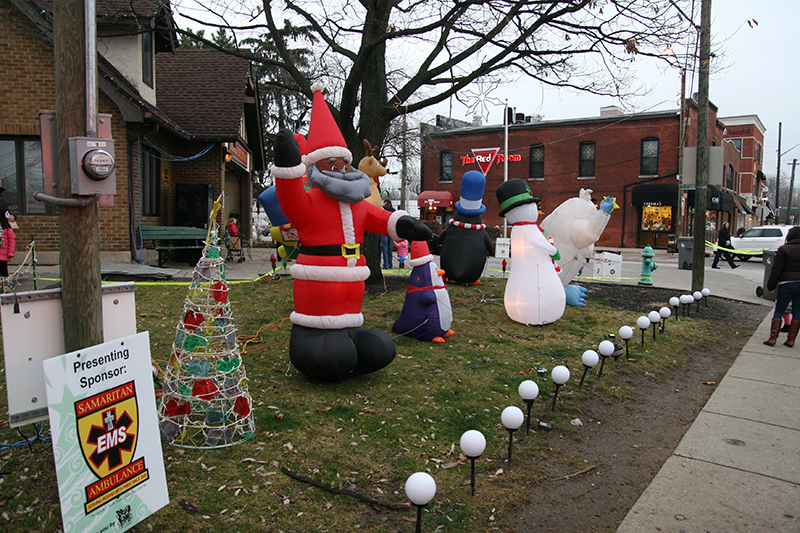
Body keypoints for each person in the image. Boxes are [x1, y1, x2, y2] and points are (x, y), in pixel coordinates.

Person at [764, 226, 800, 346]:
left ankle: (773, 338)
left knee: (779, 310)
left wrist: (771, 285)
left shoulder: (784, 249)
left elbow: (776, 270)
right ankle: (791, 339)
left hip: (786, 283)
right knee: (797, 312)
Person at [0, 210, 16, 278]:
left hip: (3, 254)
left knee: (3, 273)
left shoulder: (6, 227)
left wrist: (10, 252)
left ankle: (5, 285)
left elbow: (11, 239)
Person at [380, 200, 395, 269]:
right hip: (391, 230)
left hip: (383, 229)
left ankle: (386, 265)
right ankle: (390, 264)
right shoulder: (393, 210)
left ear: (385, 202)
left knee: (384, 248)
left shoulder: (383, 208)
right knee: (390, 248)